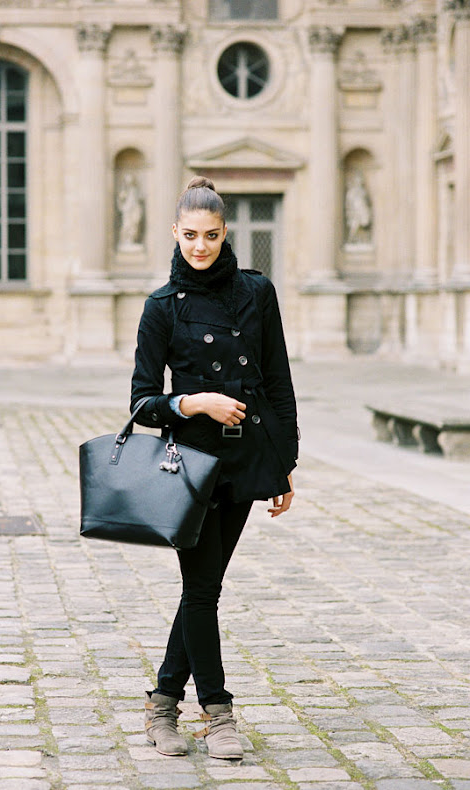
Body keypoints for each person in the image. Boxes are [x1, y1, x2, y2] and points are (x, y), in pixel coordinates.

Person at [130, 176, 299, 760]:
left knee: (204, 587)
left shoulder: (258, 291)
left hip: (247, 457)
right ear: (175, 234)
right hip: (191, 465)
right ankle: (218, 713)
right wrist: (194, 402)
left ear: (226, 234)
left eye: (211, 235)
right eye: (190, 236)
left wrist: (285, 463)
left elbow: (277, 380)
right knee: (202, 590)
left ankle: (161, 705)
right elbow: (142, 402)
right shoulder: (161, 307)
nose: (200, 246)